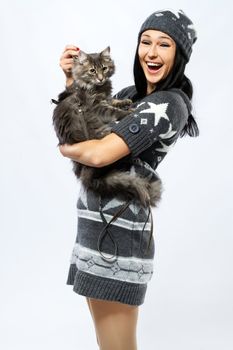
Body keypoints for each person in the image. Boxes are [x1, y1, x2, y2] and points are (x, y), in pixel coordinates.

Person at [57, 9, 199, 350]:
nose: (151, 51)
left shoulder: (168, 104)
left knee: (117, 346)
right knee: (107, 344)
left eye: (164, 44)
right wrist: (71, 80)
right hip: (97, 226)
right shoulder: (131, 94)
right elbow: (83, 124)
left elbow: (98, 154)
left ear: (178, 55)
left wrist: (69, 149)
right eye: (145, 41)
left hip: (119, 233)